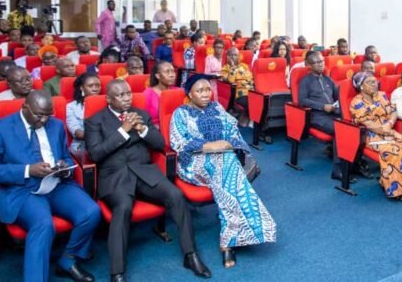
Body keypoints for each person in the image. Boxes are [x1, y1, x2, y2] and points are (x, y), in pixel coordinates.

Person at [85, 80, 211, 281]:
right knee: (123, 207)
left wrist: (142, 130)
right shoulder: (95, 121)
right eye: (120, 95)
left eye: (128, 93)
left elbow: (160, 143)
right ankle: (117, 272)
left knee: (176, 195)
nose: (127, 98)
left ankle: (190, 254)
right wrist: (123, 130)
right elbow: (95, 154)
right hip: (115, 177)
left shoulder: (141, 114)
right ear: (108, 99)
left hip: (145, 172)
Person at [0, 90, 100, 282]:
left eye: (48, 115)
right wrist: (27, 170)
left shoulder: (56, 126)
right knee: (43, 225)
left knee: (91, 212)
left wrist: (64, 166)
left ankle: (67, 261)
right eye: (39, 115)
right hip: (24, 189)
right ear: (25, 107)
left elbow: (65, 156)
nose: (43, 120)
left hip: (56, 184)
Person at [170, 76, 276, 268]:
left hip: (222, 162)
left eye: (207, 90)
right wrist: (209, 146)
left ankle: (228, 239)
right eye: (199, 91)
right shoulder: (181, 113)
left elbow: (233, 132)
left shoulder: (217, 108)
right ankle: (236, 238)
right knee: (228, 168)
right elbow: (178, 143)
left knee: (225, 167)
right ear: (189, 94)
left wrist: (228, 145)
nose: (205, 94)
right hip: (192, 164)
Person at [349, 71, 402, 201]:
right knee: (397, 152)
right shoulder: (356, 102)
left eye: (376, 81)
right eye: (371, 82)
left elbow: (393, 111)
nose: (375, 84)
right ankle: (396, 189)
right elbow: (368, 124)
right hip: (372, 135)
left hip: (389, 129)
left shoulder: (382, 95)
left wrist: (391, 122)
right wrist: (389, 132)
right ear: (361, 86)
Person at [298, 51, 344, 179]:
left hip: (333, 112)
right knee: (340, 130)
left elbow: (338, 96)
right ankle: (338, 168)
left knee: (352, 126)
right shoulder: (305, 81)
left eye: (322, 61)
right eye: (316, 62)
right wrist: (323, 106)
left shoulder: (328, 79)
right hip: (317, 116)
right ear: (309, 65)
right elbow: (302, 101)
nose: (320, 65)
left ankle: (353, 163)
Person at [66, 73, 101, 153]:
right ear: (81, 88)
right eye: (90, 86)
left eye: (97, 85)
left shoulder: (107, 103)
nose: (95, 89)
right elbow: (78, 133)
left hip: (107, 145)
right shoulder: (71, 107)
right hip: (82, 147)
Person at [220, 47, 254, 124]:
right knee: (251, 103)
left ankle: (251, 122)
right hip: (239, 93)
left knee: (260, 102)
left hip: (250, 90)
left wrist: (249, 83)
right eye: (232, 55)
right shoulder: (225, 68)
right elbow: (230, 80)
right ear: (228, 57)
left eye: (236, 55)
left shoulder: (244, 66)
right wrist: (233, 68)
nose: (234, 57)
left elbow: (250, 78)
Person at [144, 61, 177, 127]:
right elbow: (144, 119)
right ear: (158, 76)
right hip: (154, 130)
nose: (172, 75)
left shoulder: (178, 91)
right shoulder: (148, 94)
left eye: (173, 71)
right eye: (167, 72)